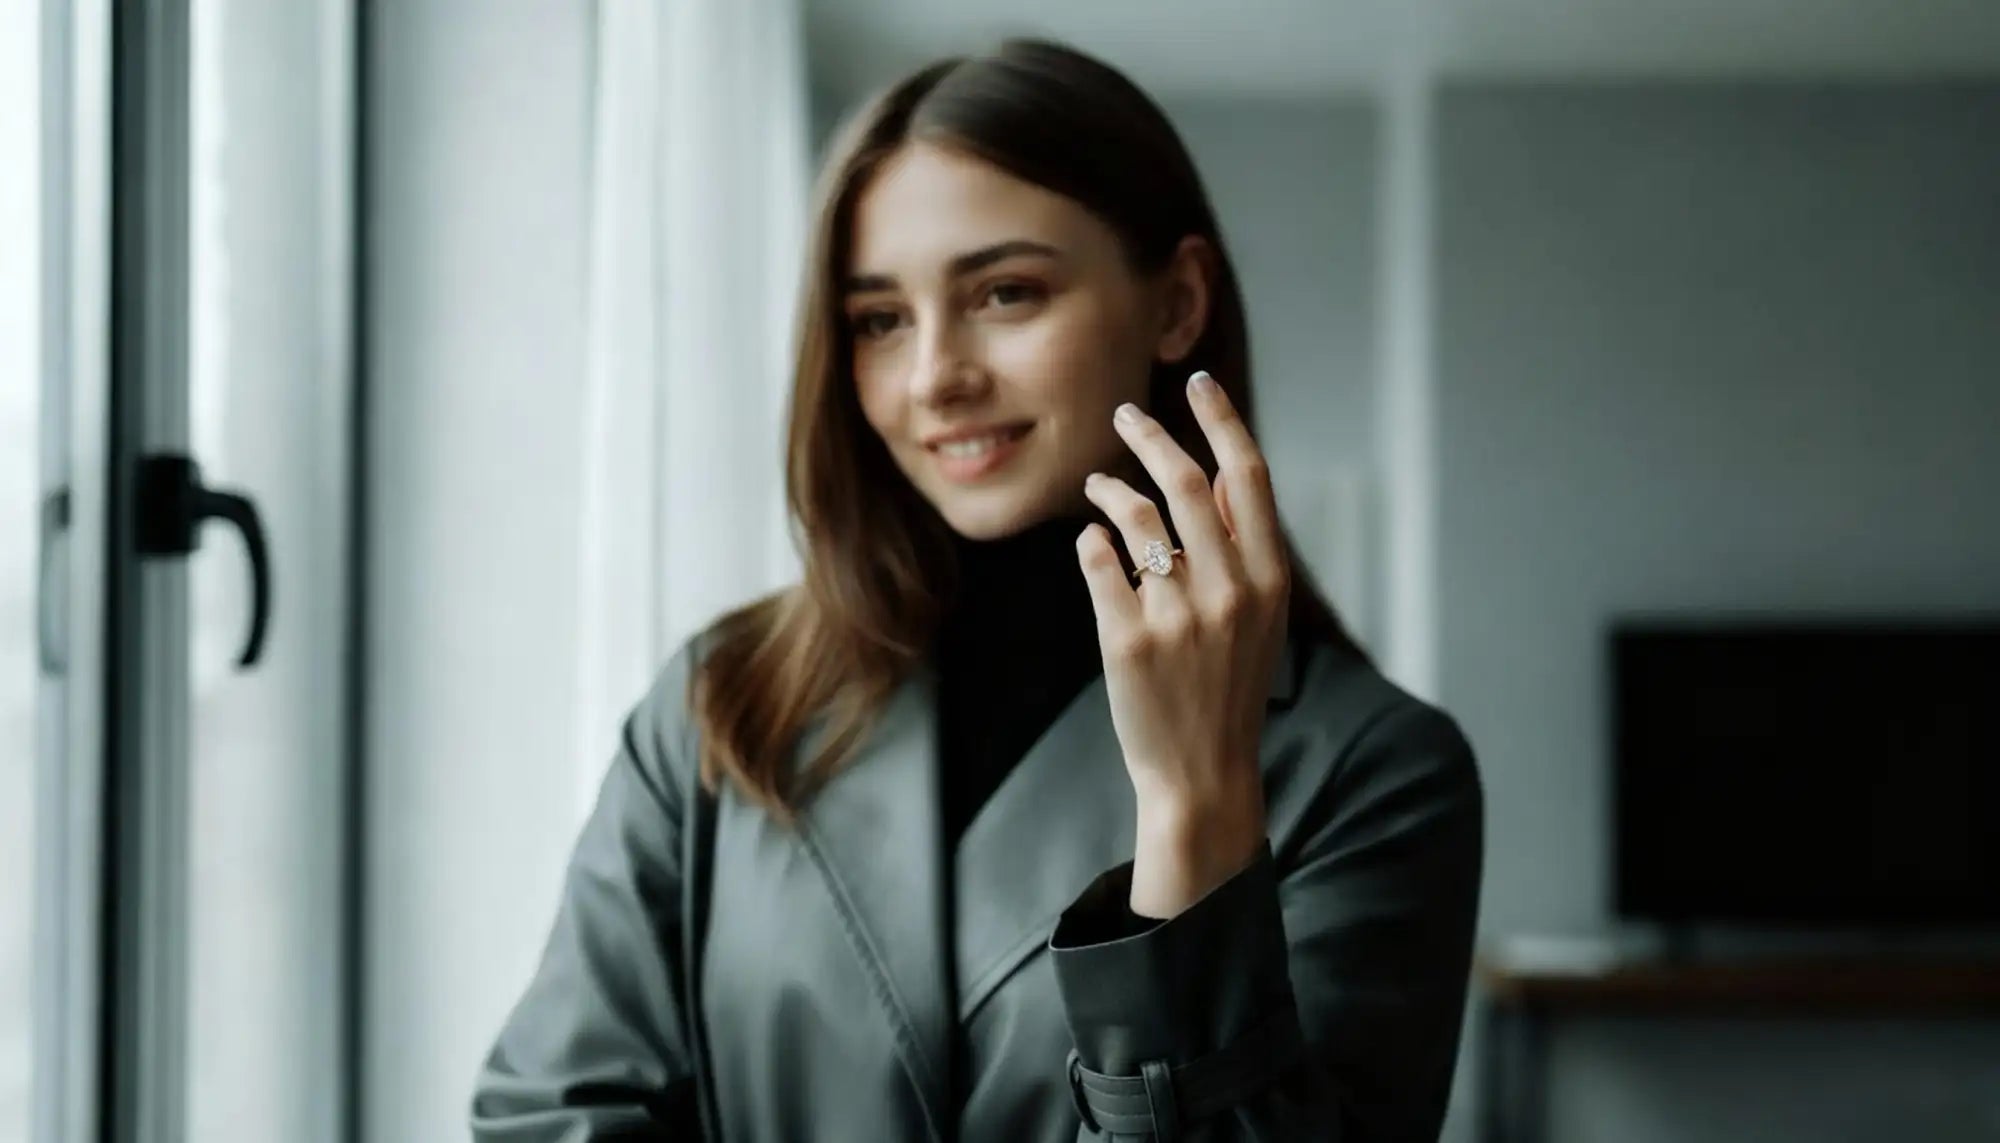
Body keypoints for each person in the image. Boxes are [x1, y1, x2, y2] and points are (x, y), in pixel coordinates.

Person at [472, 37, 1483, 1143]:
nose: (933, 377)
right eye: (879, 320)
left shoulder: (1373, 775)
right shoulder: (720, 708)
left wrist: (1196, 809)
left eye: (1004, 293)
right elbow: (550, 1119)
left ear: (1176, 302)